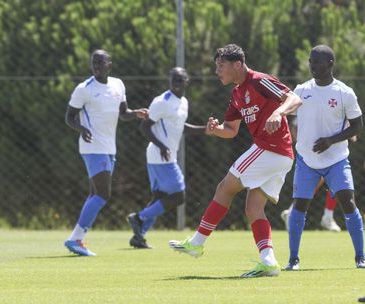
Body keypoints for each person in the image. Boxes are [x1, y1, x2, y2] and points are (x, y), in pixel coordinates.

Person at [168, 44, 303, 277]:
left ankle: (198, 242)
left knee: (225, 187)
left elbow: (294, 98)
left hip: (271, 149)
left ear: (237, 64)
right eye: (216, 66)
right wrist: (215, 129)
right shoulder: (237, 93)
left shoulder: (259, 80)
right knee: (253, 208)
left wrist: (278, 112)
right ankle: (269, 262)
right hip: (278, 155)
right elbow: (230, 130)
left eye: (221, 66)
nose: (217, 71)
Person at [283, 45, 363, 271]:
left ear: (330, 63)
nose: (312, 66)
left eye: (317, 62)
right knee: (299, 206)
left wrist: (331, 140)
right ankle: (293, 260)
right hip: (306, 161)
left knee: (348, 203)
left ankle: (361, 257)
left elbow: (357, 126)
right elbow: (287, 110)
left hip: (336, 159)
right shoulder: (301, 90)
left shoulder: (344, 92)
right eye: (310, 61)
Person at [64, 49, 148, 256]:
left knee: (95, 194)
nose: (97, 66)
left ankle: (76, 238)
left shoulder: (118, 84)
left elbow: (123, 113)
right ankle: (75, 239)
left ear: (110, 64)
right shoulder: (84, 89)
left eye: (101, 62)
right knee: (102, 194)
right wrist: (81, 129)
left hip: (109, 147)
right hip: (93, 147)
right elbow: (69, 117)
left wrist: (135, 114)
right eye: (94, 63)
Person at [126, 67, 205, 249]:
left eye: (180, 80)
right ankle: (139, 218)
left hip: (165, 155)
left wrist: (205, 130)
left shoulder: (183, 101)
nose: (177, 83)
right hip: (160, 156)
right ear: (170, 82)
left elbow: (180, 127)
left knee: (159, 197)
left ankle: (139, 236)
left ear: (187, 81)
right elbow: (144, 127)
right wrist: (162, 146)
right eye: (173, 80)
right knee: (178, 195)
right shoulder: (162, 101)